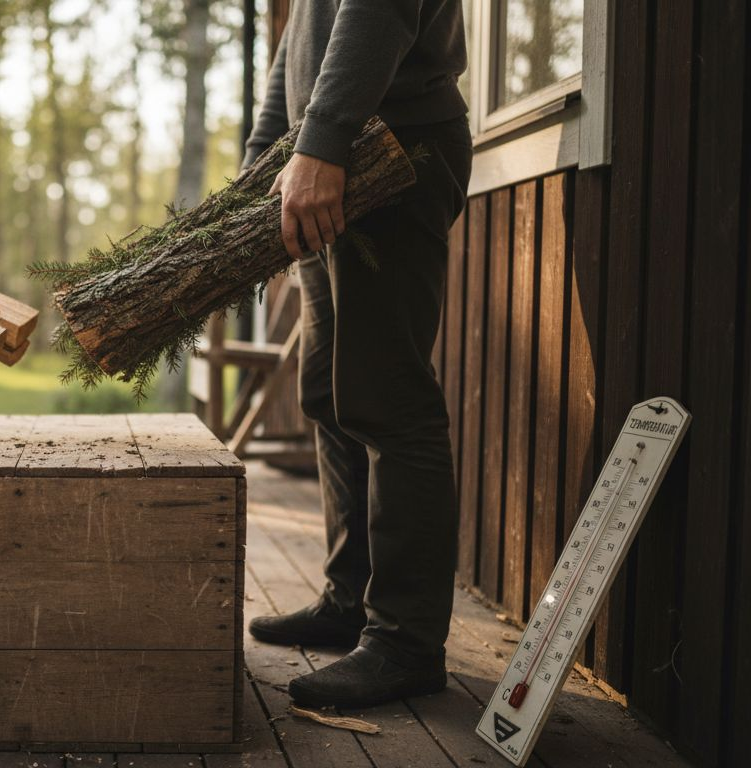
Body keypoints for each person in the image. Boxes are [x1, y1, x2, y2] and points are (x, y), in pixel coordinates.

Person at [242, 0, 472, 709]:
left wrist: (324, 141)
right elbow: (300, 38)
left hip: (390, 148)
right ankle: (349, 601)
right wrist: (266, 154)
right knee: (328, 390)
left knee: (388, 396)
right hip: (321, 160)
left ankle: (405, 643)